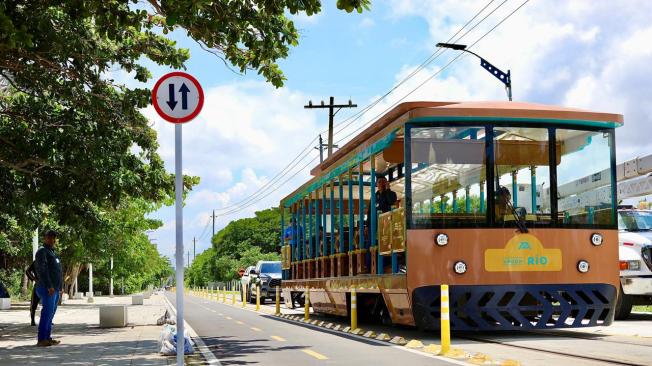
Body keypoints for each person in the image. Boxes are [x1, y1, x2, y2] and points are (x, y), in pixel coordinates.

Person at [34, 230, 63, 347]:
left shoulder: (52, 252)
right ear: (45, 238)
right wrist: (49, 285)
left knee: (51, 313)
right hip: (46, 288)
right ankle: (41, 339)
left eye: (54, 238)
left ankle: (47, 338)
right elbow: (42, 270)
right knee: (47, 313)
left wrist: (60, 287)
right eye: (50, 238)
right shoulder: (42, 251)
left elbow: (58, 271)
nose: (52, 240)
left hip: (55, 289)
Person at [25, 261, 40, 326]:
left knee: (48, 305)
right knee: (34, 303)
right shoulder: (35, 262)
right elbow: (27, 271)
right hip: (38, 285)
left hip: (47, 286)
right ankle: (32, 320)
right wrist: (33, 278)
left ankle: (48, 320)